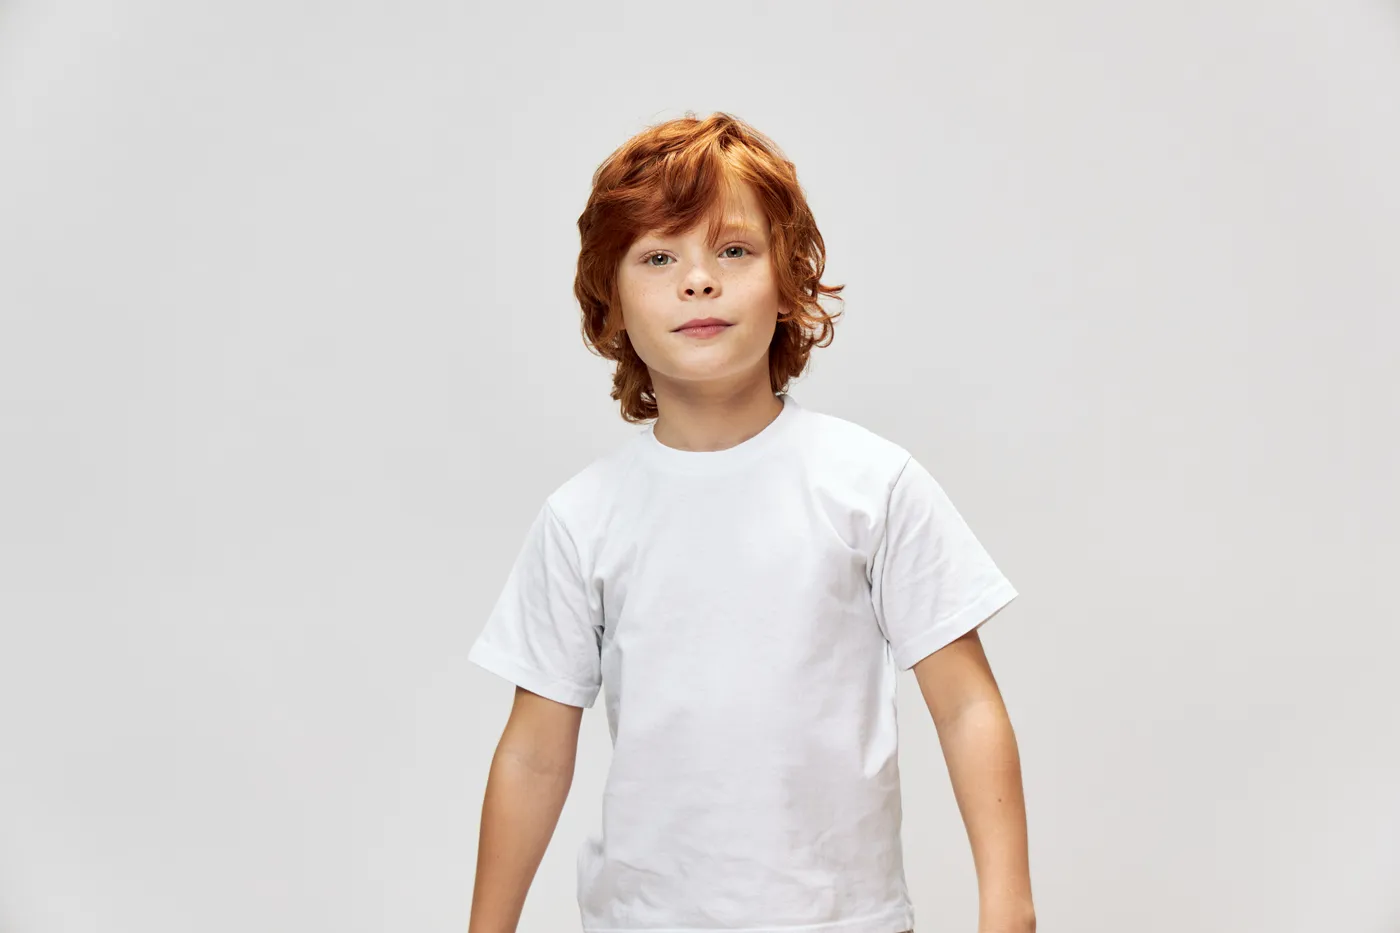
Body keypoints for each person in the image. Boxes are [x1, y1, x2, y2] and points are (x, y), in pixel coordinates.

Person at [466, 111, 1035, 933]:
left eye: (733, 250)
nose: (699, 280)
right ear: (611, 302)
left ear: (789, 280)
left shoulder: (871, 486)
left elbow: (966, 707)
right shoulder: (583, 518)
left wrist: (1009, 908)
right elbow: (533, 752)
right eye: (659, 257)